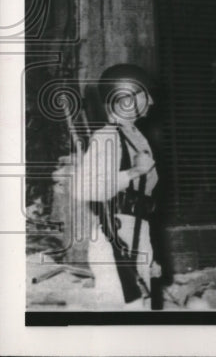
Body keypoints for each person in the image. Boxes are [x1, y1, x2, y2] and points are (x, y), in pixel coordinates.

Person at [74, 64, 160, 308]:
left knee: (140, 310)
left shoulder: (137, 137)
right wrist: (132, 172)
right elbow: (83, 188)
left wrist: (149, 255)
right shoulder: (107, 137)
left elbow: (143, 193)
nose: (152, 101)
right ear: (124, 99)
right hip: (115, 235)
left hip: (137, 231)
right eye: (145, 95)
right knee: (121, 312)